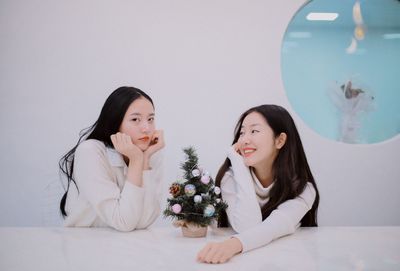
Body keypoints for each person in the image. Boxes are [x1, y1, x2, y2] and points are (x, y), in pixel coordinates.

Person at [197, 104, 319, 263]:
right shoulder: (230, 179)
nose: (244, 140)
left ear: (280, 140)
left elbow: (272, 227)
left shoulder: (303, 189)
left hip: (286, 260)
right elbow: (247, 227)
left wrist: (231, 246)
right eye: (242, 133)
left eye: (254, 131)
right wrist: (239, 167)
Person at [59, 86, 165, 232]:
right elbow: (124, 222)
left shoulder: (151, 153)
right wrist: (136, 161)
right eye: (135, 119)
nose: (146, 128)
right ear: (116, 122)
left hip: (128, 246)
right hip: (85, 243)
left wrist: (145, 160)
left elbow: (144, 221)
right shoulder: (90, 151)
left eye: (150, 119)